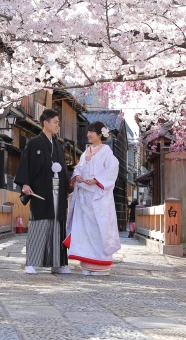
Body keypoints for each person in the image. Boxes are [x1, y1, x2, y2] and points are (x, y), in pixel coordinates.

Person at [14, 108, 71, 274]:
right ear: (45, 123)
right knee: (39, 225)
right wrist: (25, 183)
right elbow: (25, 164)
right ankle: (31, 262)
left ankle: (57, 263)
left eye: (58, 123)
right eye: (55, 122)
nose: (57, 126)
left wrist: (68, 186)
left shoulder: (58, 146)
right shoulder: (34, 143)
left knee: (57, 227)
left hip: (57, 193)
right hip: (41, 190)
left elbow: (64, 170)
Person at [64, 121, 121, 276]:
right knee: (85, 230)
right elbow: (78, 168)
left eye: (92, 132)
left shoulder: (106, 151)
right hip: (84, 198)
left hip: (98, 197)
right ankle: (88, 264)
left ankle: (101, 266)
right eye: (88, 132)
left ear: (100, 134)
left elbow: (113, 169)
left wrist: (96, 180)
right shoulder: (85, 152)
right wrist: (78, 176)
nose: (88, 135)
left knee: (98, 229)